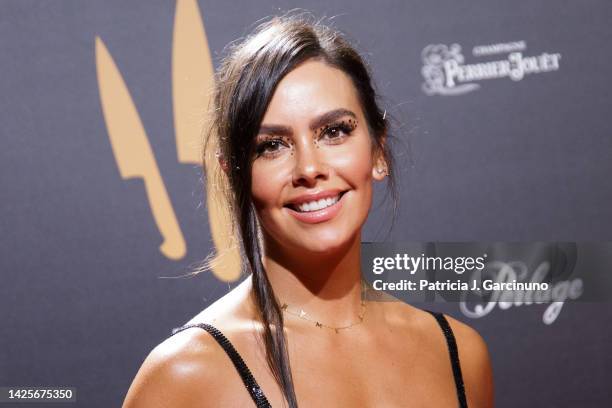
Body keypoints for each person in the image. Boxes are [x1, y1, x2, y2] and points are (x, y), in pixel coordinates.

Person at [123, 13, 494, 408]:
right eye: (272, 145)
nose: (309, 169)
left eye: (334, 131)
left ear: (378, 151)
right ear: (234, 175)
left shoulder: (458, 354)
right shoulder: (186, 376)